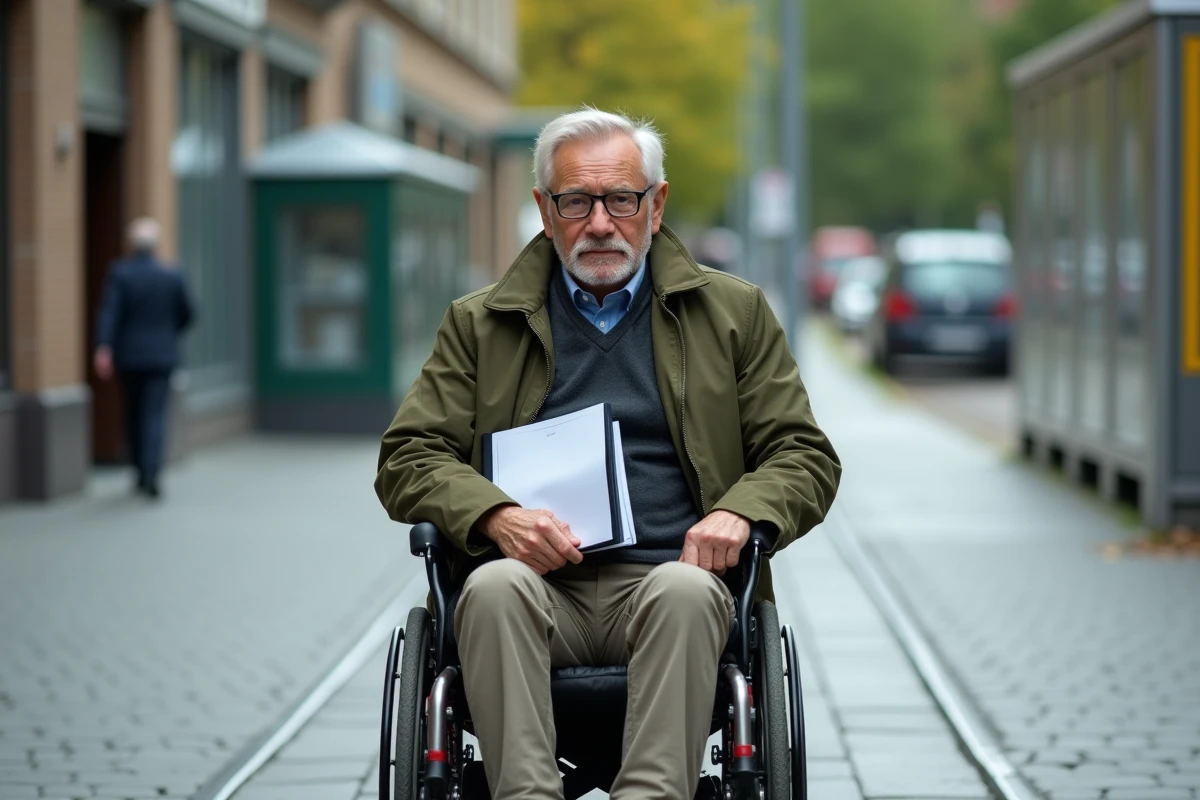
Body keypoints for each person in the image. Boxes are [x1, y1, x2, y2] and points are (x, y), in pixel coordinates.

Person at [375, 108, 841, 800]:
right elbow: (409, 455)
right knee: (492, 588)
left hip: (669, 580)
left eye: (621, 199)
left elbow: (803, 453)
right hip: (533, 587)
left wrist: (741, 514)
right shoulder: (479, 324)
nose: (600, 223)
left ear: (656, 205)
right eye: (576, 201)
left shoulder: (733, 314)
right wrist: (496, 515)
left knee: (686, 593)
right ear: (544, 209)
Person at [94, 217, 195, 499]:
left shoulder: (120, 273)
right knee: (155, 415)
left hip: (130, 356)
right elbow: (188, 313)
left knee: (134, 413)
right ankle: (152, 471)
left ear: (131, 245)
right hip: (162, 356)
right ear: (157, 245)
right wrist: (168, 333)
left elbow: (109, 312)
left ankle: (140, 470)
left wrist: (104, 346)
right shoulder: (172, 274)